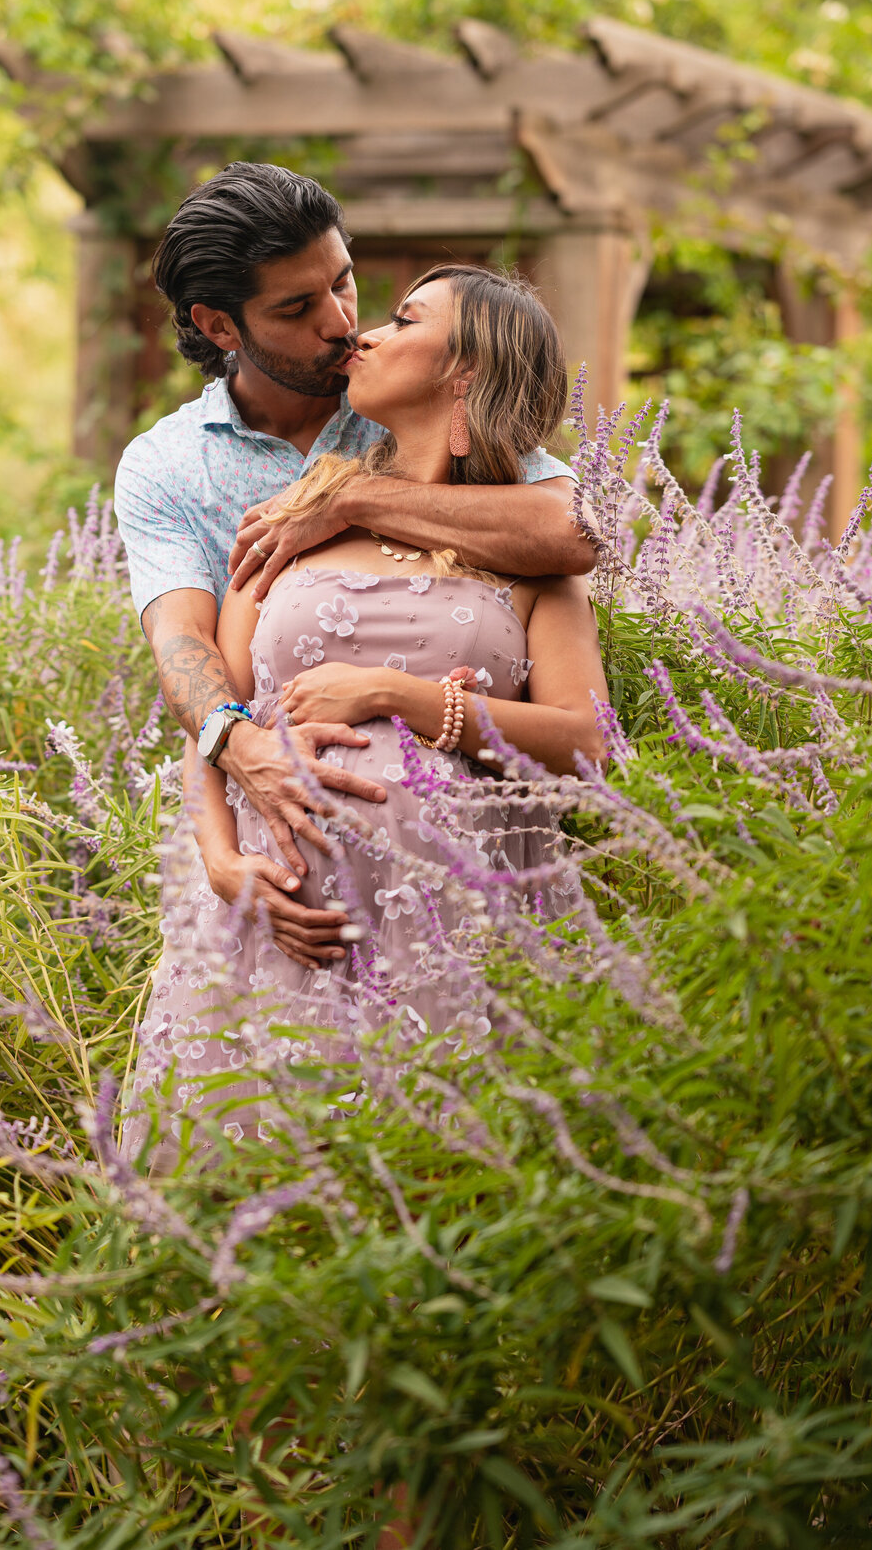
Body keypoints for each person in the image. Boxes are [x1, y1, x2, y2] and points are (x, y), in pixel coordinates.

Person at [123, 262, 608, 1163]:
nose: (363, 332)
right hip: (279, 921)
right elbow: (221, 700)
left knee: (449, 1191)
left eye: (401, 317)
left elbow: (591, 744)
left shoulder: (531, 549)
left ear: (467, 369)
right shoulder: (289, 521)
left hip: (459, 920)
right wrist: (225, 863)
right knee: (244, 1192)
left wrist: (401, 696)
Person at [113, 164, 596, 962]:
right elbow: (190, 653)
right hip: (287, 897)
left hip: (461, 903)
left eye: (344, 282)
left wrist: (353, 500)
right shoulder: (169, 467)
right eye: (298, 308)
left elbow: (572, 534)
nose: (343, 323)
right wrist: (220, 829)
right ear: (223, 326)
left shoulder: (406, 395)